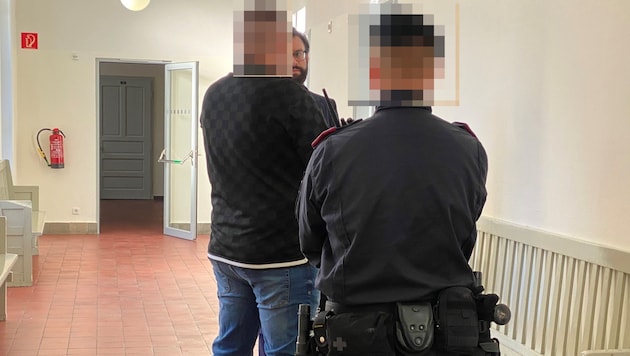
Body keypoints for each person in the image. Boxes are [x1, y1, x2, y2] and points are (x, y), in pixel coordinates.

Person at [296, 8, 495, 356]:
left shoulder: (332, 151)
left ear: (373, 75)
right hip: (447, 333)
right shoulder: (469, 150)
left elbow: (310, 241)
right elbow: (464, 235)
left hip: (355, 335)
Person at [200, 2, 328, 355]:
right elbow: (324, 171)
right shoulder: (291, 96)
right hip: (280, 255)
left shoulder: (214, 94)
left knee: (230, 346)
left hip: (226, 249)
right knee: (284, 349)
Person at [292, 28, 339, 128]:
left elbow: (333, 143)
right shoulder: (262, 105)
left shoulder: (326, 106)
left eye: (298, 54)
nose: (293, 62)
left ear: (307, 57)